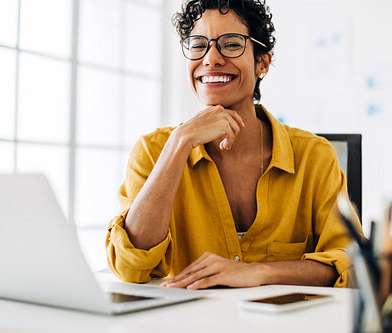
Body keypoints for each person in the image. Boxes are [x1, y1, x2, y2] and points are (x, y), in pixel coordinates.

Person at [106, 0, 362, 289]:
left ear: (262, 63)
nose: (211, 58)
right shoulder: (154, 151)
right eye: (198, 44)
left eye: (230, 45)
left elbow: (352, 265)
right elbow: (130, 266)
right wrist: (180, 143)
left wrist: (260, 272)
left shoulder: (314, 156)